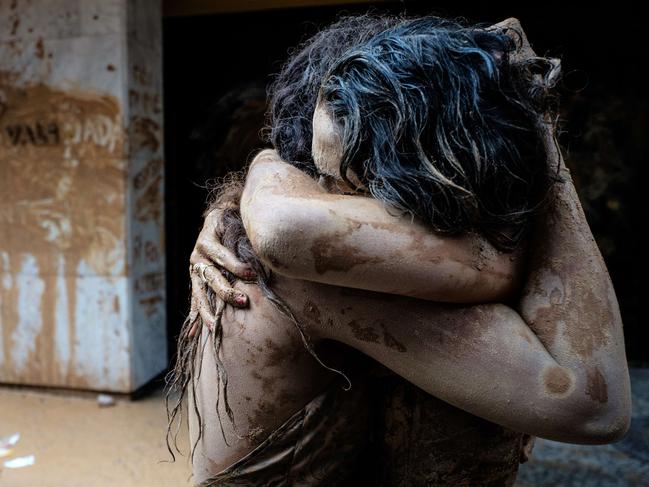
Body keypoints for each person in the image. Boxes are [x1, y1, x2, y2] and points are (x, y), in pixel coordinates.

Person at [167, 15, 632, 486]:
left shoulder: (311, 220)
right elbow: (594, 406)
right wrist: (541, 132)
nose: (325, 192)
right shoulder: (310, 265)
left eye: (339, 181)